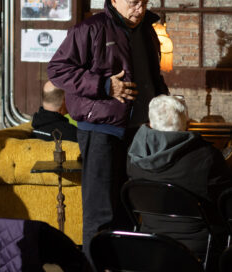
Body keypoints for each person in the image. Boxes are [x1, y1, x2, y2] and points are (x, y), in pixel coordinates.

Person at [47, 0, 169, 260]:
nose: (140, 8)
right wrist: (104, 86)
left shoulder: (147, 30)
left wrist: (164, 103)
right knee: (100, 212)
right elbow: (57, 69)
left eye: (145, 2)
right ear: (114, 0)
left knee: (130, 208)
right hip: (101, 130)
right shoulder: (90, 29)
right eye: (134, 2)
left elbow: (152, 76)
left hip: (141, 133)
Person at [126, 95, 232, 266]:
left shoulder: (134, 158)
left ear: (151, 124)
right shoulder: (205, 157)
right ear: (187, 124)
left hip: (150, 242)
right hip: (197, 248)